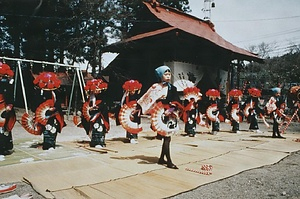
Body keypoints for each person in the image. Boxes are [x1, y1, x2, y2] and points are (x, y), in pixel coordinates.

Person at [137, 65, 182, 169]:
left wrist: (170, 110)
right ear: (160, 75)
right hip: (159, 114)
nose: (168, 76)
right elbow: (146, 98)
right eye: (165, 74)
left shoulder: (172, 88)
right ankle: (169, 161)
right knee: (167, 138)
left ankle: (162, 158)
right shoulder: (155, 87)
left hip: (169, 115)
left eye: (169, 74)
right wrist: (140, 107)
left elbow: (177, 101)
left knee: (167, 137)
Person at [21, 72, 66, 150]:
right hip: (44, 116)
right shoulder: (39, 94)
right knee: (45, 130)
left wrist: (54, 108)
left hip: (54, 115)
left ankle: (50, 145)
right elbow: (36, 104)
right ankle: (47, 144)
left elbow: (59, 103)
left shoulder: (56, 93)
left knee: (51, 129)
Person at [75, 78, 110, 148]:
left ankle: (100, 142)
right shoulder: (90, 97)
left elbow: (104, 105)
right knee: (90, 127)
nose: (96, 91)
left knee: (98, 127)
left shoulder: (103, 97)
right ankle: (94, 141)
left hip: (100, 115)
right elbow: (86, 105)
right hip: (91, 115)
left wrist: (97, 107)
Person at [118, 80, 142, 144]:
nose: (133, 92)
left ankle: (134, 137)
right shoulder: (126, 97)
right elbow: (123, 104)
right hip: (128, 112)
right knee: (129, 124)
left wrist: (137, 110)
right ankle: (130, 137)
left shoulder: (138, 96)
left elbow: (140, 104)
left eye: (134, 90)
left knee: (135, 124)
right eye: (131, 90)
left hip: (136, 112)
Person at [0, 62, 16, 155]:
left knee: (4, 129)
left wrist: (10, 105)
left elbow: (10, 97)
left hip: (3, 108)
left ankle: (4, 147)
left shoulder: (6, 85)